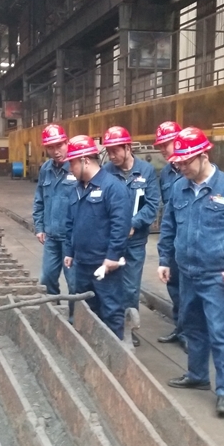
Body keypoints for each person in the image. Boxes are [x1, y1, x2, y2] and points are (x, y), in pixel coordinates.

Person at [157, 127, 224, 417]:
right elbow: (169, 226)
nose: (181, 167)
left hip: (217, 275)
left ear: (203, 155)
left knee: (219, 333)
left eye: (186, 162)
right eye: (178, 163)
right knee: (192, 326)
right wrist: (164, 259)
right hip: (187, 272)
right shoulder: (179, 187)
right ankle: (197, 375)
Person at [63, 135, 133, 340]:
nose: (70, 169)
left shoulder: (112, 188)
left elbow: (120, 225)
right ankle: (89, 348)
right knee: (84, 309)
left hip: (105, 265)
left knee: (110, 310)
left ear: (85, 160)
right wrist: (69, 251)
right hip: (82, 263)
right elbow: (70, 222)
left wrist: (112, 256)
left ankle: (114, 351)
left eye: (72, 163)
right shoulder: (78, 189)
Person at [101, 126, 159, 345]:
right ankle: (110, 323)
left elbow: (152, 204)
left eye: (116, 150)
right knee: (109, 282)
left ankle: (128, 328)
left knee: (131, 286)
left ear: (127, 148)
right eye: (109, 151)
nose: (112, 156)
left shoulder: (146, 171)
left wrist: (134, 224)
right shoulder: (106, 171)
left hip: (135, 241)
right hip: (112, 239)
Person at [32, 124, 78, 310]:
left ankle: (76, 318)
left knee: (74, 283)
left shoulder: (76, 167)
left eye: (59, 145)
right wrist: (39, 227)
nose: (56, 151)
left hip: (71, 239)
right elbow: (39, 200)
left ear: (67, 143)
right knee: (47, 279)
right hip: (51, 237)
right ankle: (53, 313)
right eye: (51, 147)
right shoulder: (46, 169)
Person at [152, 121, 188, 350]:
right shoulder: (166, 173)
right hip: (173, 237)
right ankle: (180, 327)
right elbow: (168, 210)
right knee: (174, 285)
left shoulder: (194, 168)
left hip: (191, 239)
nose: (163, 149)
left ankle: (191, 332)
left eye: (167, 144)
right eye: (161, 146)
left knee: (189, 289)